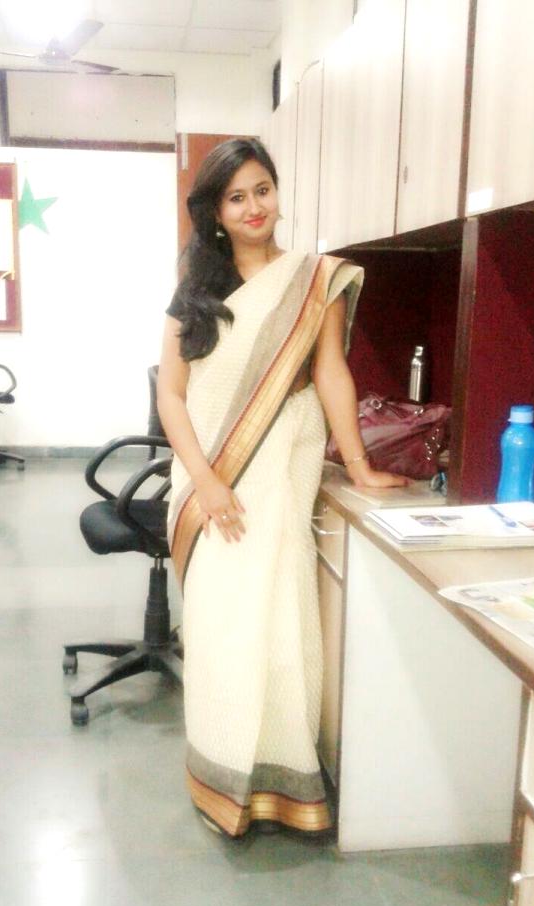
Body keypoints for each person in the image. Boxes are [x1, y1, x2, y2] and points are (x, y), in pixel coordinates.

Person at [157, 138, 408, 839]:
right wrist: (207, 481)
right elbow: (172, 395)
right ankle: (222, 773)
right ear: (214, 212)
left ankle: (280, 779)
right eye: (235, 197)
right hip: (212, 479)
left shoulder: (313, 279)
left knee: (281, 615)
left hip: (282, 471)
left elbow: (330, 372)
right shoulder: (193, 295)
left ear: (277, 192)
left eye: (262, 190)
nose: (253, 207)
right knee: (223, 626)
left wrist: (357, 463)